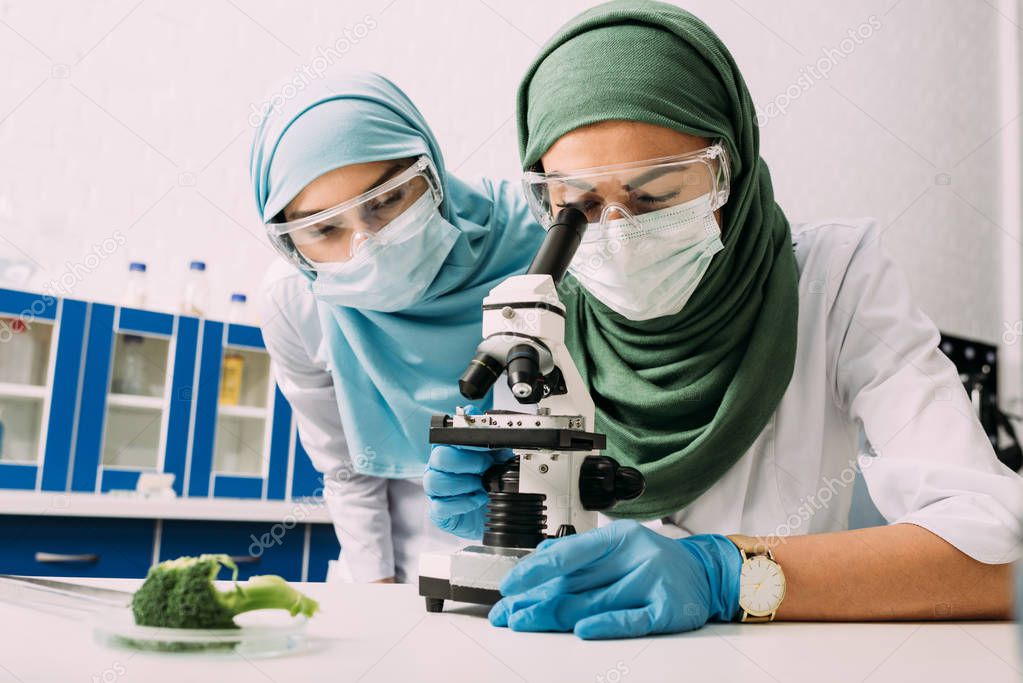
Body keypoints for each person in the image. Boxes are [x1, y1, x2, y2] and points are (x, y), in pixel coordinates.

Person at [424, 1, 1022, 638]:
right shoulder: (545, 314)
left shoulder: (836, 281)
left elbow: (997, 559)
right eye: (580, 206)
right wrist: (506, 507)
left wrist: (727, 574)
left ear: (728, 170)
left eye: (653, 196)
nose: (619, 237)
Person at [250, 71, 543, 583]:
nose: (368, 246)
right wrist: (376, 587)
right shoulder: (294, 300)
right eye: (323, 228)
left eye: (386, 201)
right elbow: (344, 464)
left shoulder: (542, 236)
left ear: (431, 174)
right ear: (291, 244)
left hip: (555, 547)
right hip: (408, 569)